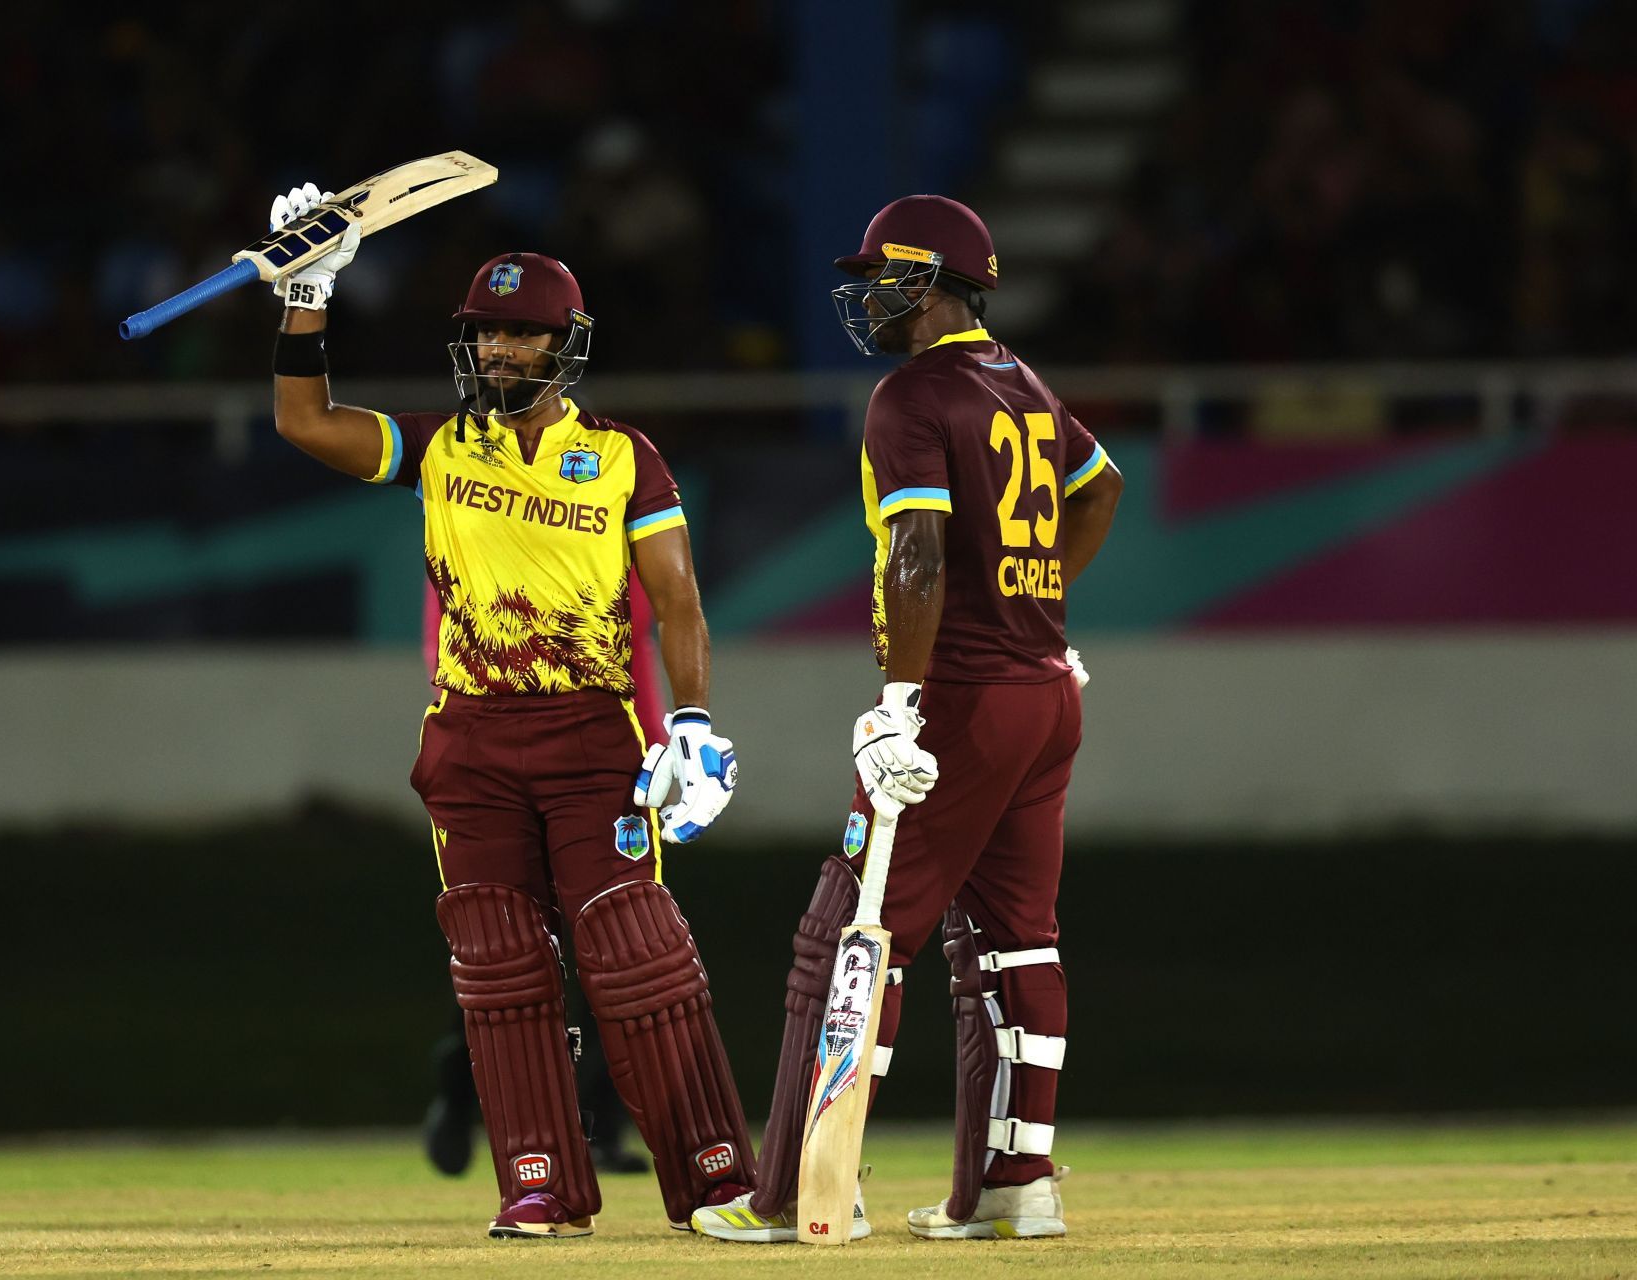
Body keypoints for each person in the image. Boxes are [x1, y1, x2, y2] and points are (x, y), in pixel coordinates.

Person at [263, 183, 751, 1239]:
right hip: (472, 740)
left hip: (591, 736)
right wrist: (307, 294)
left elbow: (677, 601)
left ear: (562, 346)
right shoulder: (439, 450)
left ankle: (714, 1175)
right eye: (484, 334)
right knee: (496, 963)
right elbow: (302, 419)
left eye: (519, 337)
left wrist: (697, 727)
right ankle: (539, 1179)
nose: (496, 353)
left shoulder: (624, 456)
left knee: (633, 950)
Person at [691, 195, 1123, 1243]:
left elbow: (915, 555)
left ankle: (797, 1190)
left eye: (884, 274)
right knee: (1018, 944)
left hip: (963, 696)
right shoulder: (1023, 382)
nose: (869, 293)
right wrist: (1038, 606)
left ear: (928, 281)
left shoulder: (912, 394)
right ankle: (1016, 1184)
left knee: (846, 931)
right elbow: (1099, 485)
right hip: (1044, 692)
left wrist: (897, 704)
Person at [420, 575, 663, 1179]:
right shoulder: (479, 517)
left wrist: (657, 745)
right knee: (508, 945)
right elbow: (444, 642)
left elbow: (638, 644)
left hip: (604, 754)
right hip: (509, 751)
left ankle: (598, 1128)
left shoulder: (611, 513)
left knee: (614, 949)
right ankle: (460, 1088)